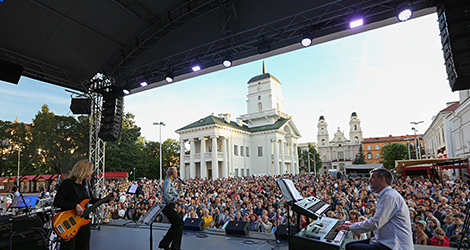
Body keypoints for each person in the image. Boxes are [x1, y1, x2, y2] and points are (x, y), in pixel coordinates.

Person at [336, 168, 413, 250]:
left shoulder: (389, 197)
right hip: (386, 241)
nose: (369, 180)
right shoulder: (387, 195)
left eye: (373, 177)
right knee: (348, 245)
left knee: (352, 248)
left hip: (395, 245)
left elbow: (375, 223)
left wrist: (351, 227)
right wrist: (352, 225)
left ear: (382, 179)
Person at [53, 159, 116, 250]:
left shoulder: (86, 184)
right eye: (89, 172)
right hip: (69, 221)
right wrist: (75, 205)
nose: (90, 175)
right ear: (82, 171)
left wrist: (107, 199)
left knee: (83, 247)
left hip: (83, 221)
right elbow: (57, 202)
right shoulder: (67, 183)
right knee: (69, 247)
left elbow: (91, 199)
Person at [159, 167, 185, 250]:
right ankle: (175, 247)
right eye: (176, 172)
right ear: (173, 174)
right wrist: (178, 199)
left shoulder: (171, 183)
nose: (177, 174)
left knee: (175, 225)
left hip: (170, 206)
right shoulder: (167, 182)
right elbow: (167, 197)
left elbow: (175, 195)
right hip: (166, 206)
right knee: (180, 223)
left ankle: (164, 243)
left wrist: (180, 187)